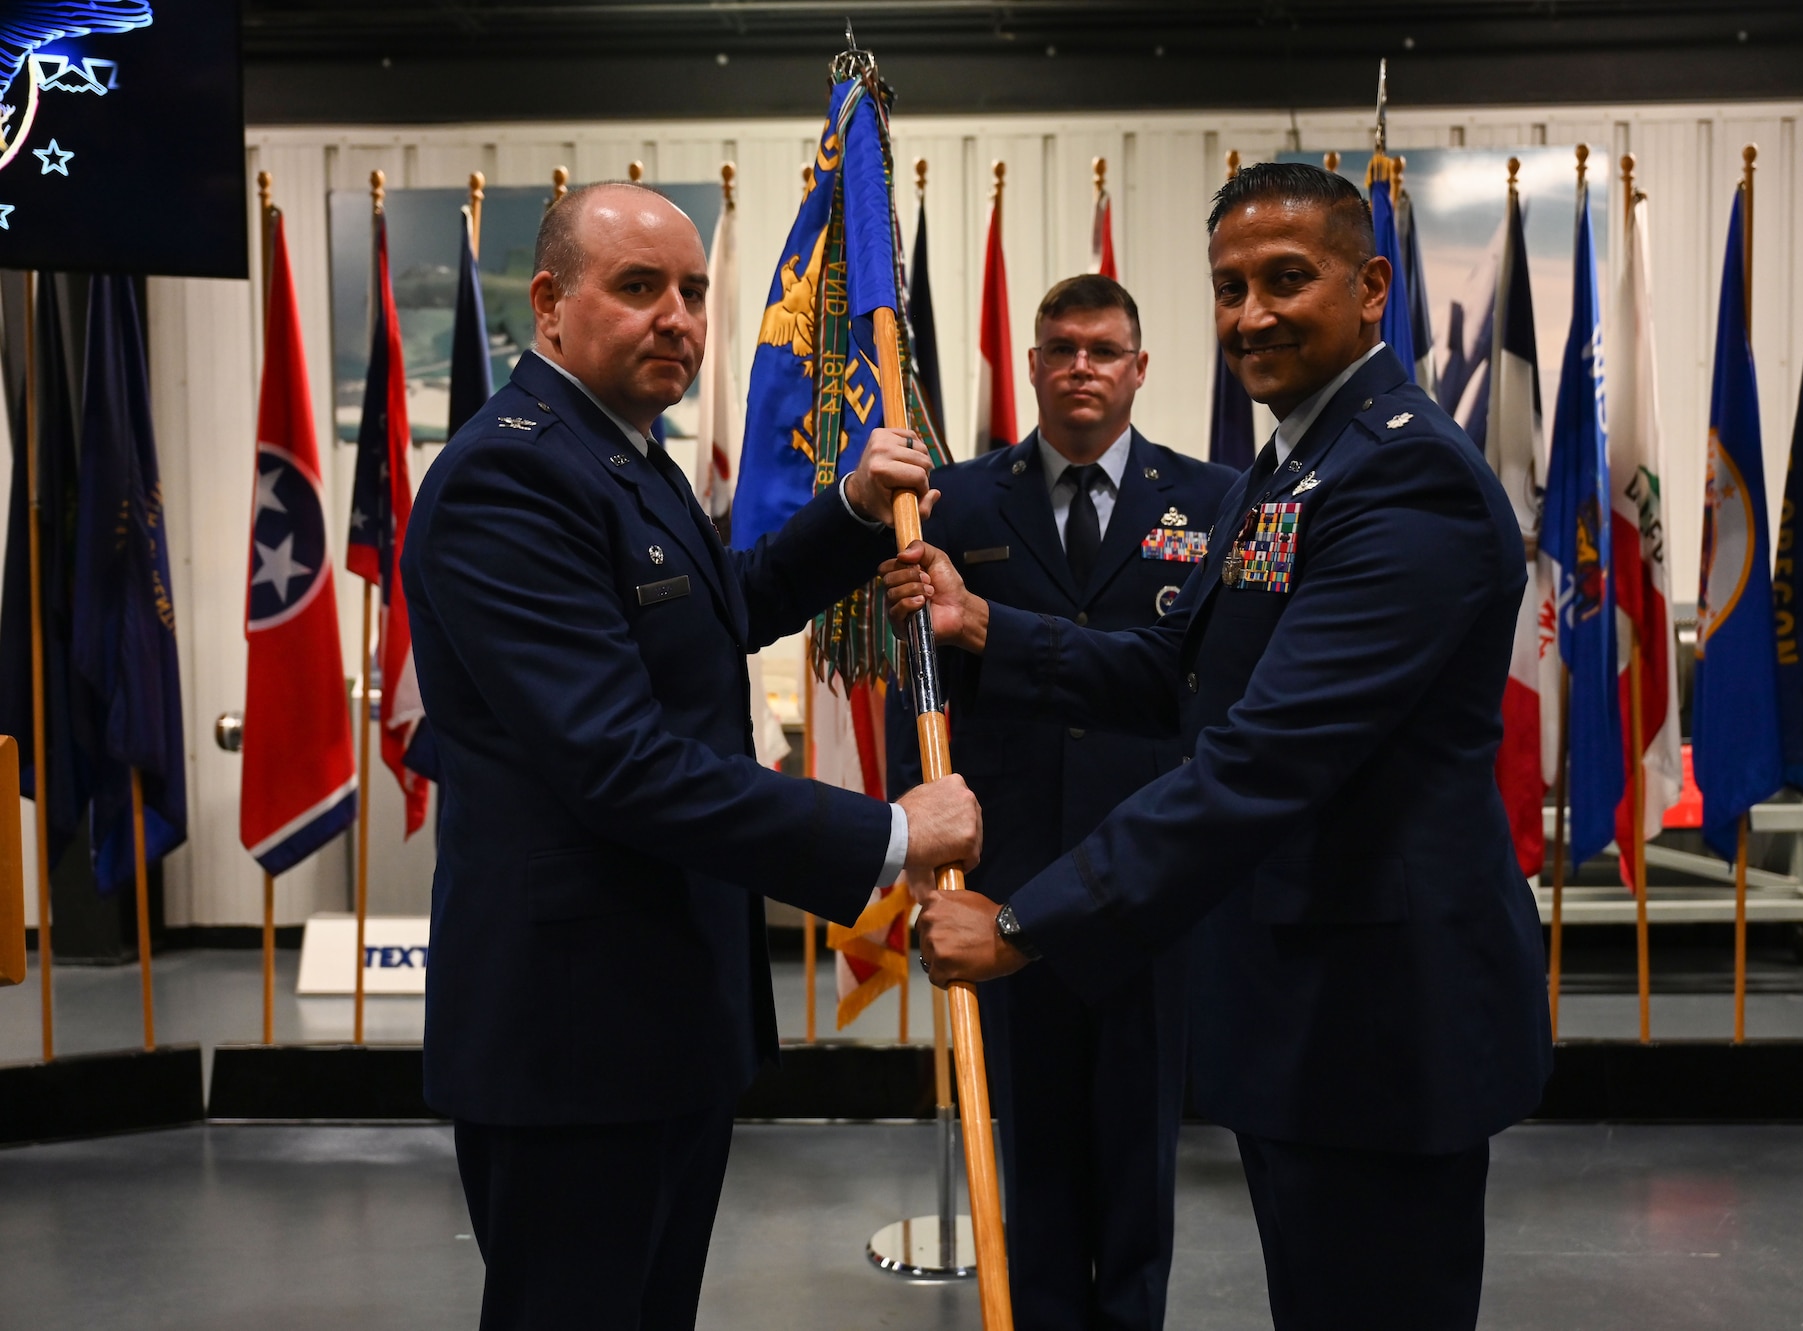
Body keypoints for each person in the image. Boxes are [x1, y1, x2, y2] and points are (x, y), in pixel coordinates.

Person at [889, 162, 1552, 1330]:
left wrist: (1021, 922)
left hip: (1381, 1020)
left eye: (1286, 279)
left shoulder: (1400, 477)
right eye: (1230, 285)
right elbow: (1187, 673)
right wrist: (986, 623)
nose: (1250, 314)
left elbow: (1261, 756)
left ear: (1371, 287)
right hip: (1302, 1003)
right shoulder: (1295, 460)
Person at [400, 181, 982, 1331]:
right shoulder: (509, 476)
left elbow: (716, 605)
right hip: (572, 1026)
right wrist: (889, 831)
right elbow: (616, 758)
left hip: (657, 1005)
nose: (677, 316)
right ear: (548, 305)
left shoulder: (620, 453)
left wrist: (856, 511)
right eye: (637, 287)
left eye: (692, 291)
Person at [887, 274, 1236, 1331]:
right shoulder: (953, 499)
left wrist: (988, 624)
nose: (1080, 366)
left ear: (1138, 367)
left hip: (1147, 871)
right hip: (1012, 872)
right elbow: (920, 687)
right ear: (1030, 365)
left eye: (1102, 348)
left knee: (1138, 1143)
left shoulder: (1212, 501)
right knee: (1028, 1141)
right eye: (1060, 348)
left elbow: (1192, 678)